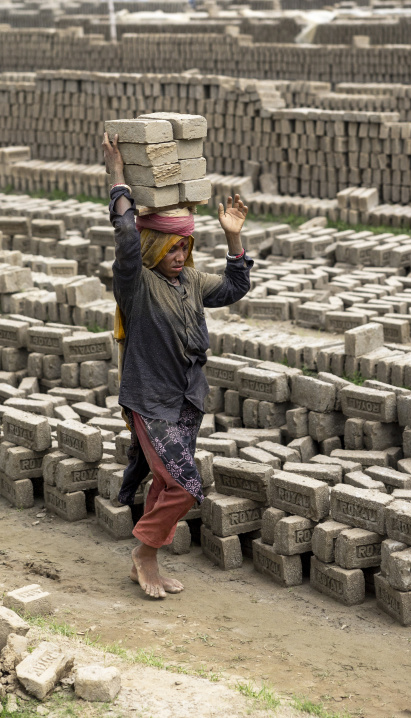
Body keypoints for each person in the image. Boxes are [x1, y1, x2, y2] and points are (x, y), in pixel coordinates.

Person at [103, 132, 252, 599]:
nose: (180, 256)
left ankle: (146, 561)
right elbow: (127, 235)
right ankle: (143, 555)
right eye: (171, 249)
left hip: (188, 400)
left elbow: (233, 289)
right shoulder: (136, 283)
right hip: (151, 402)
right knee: (186, 484)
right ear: (152, 250)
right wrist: (117, 176)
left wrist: (233, 237)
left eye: (184, 248)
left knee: (166, 483)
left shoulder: (189, 280)